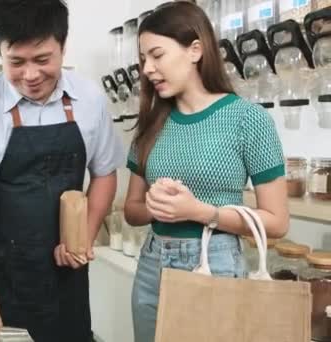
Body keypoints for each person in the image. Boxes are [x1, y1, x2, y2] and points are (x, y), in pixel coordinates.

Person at [0, 0, 124, 341]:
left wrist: (84, 234)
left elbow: (104, 173)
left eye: (43, 60)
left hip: (68, 275)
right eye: (16, 62)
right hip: (6, 278)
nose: (30, 75)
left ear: (63, 46)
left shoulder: (89, 99)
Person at [123, 2, 290, 342]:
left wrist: (200, 212)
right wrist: (156, 207)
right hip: (152, 265)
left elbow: (276, 221)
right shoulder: (152, 124)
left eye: (157, 55)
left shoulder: (247, 119)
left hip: (216, 264)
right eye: (143, 59)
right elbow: (131, 211)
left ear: (195, 50)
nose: (148, 69)